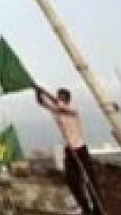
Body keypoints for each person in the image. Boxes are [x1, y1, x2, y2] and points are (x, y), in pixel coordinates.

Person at [35, 84, 103, 215]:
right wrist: (37, 91)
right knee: (71, 180)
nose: (57, 98)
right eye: (57, 96)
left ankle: (98, 209)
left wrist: (45, 91)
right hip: (69, 150)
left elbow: (59, 105)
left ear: (67, 99)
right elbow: (41, 102)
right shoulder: (56, 111)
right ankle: (85, 209)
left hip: (80, 148)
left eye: (60, 97)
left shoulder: (73, 110)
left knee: (90, 180)